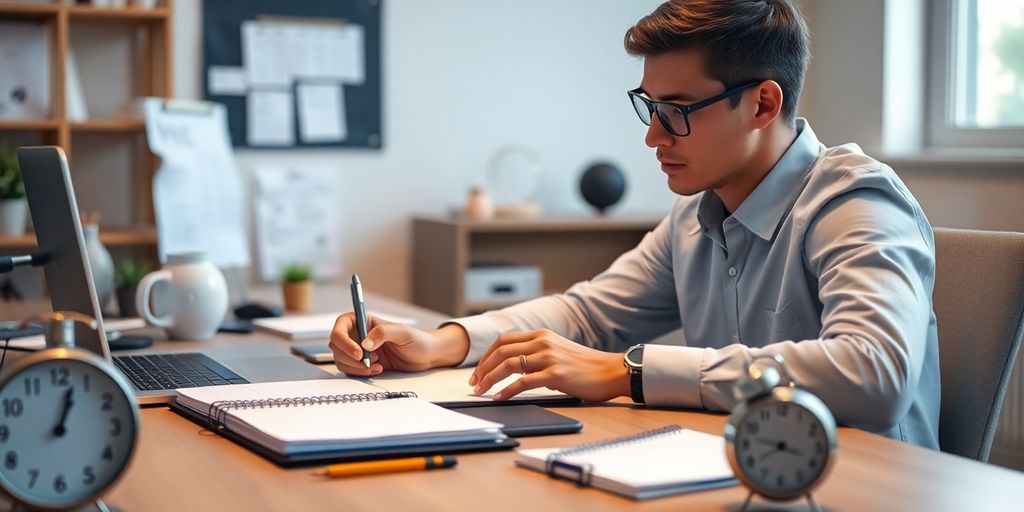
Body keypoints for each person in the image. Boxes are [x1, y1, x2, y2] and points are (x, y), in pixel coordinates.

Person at [330, 0, 939, 448]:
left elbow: (872, 371)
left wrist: (632, 371)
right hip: (744, 469)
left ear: (763, 103)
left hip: (865, 484)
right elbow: (588, 315)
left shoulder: (856, 201)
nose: (651, 137)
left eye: (675, 112)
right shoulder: (695, 217)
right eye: (649, 108)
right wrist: (445, 342)